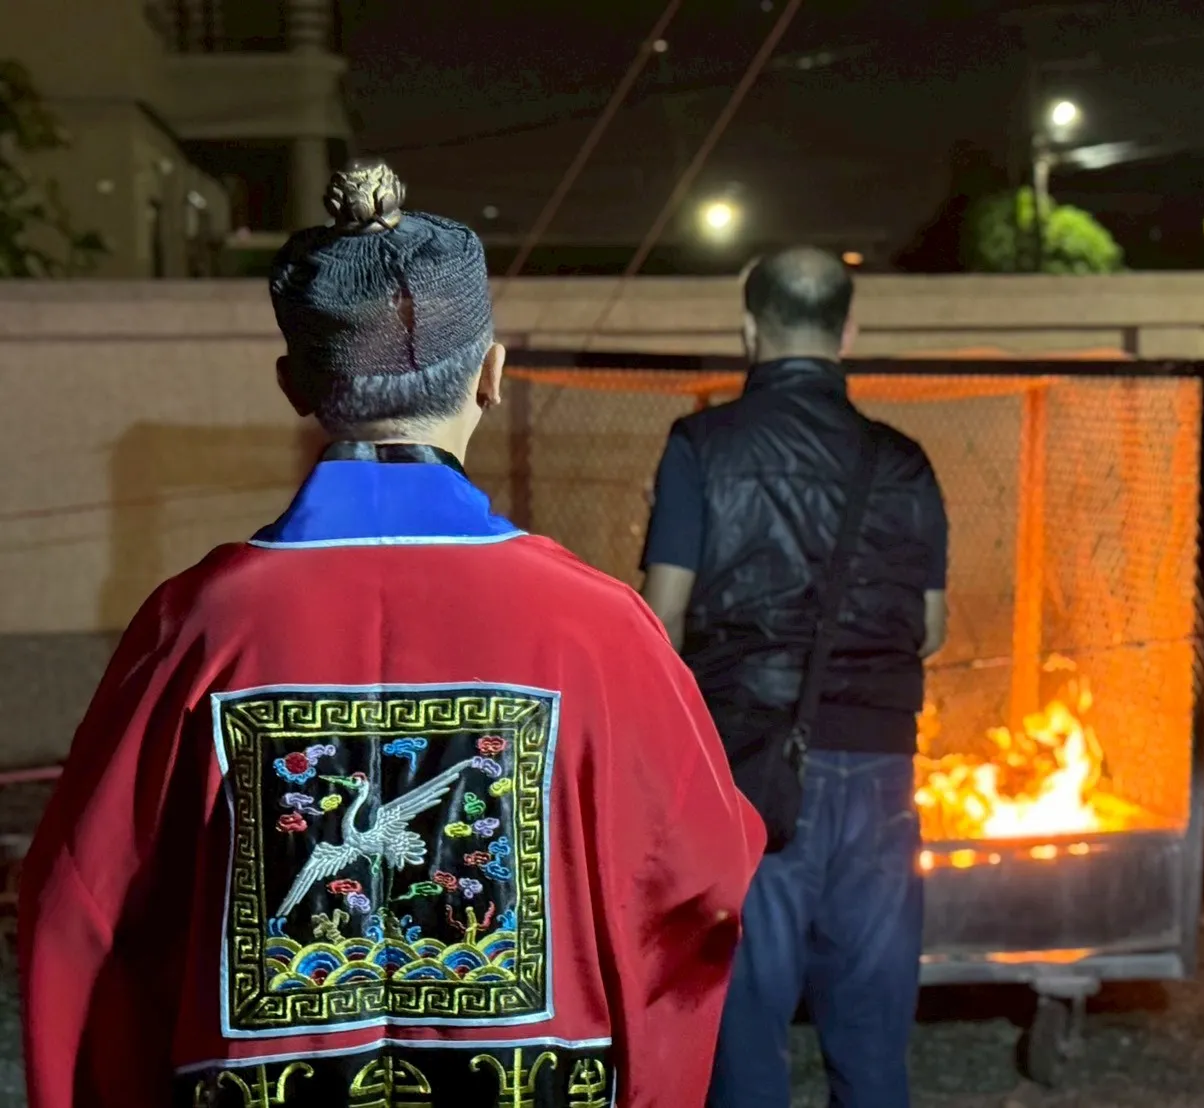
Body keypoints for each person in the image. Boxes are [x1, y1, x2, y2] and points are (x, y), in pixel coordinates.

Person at [19, 160, 764, 1108]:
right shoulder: (598, 627)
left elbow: (83, 904)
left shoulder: (198, 625)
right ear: (491, 375)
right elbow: (697, 880)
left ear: (294, 384)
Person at [640, 246, 949, 1108]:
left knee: (744, 1039)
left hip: (749, 775)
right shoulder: (903, 461)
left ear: (749, 329)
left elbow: (661, 620)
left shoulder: (701, 446)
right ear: (848, 332)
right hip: (880, 773)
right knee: (872, 1041)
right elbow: (929, 629)